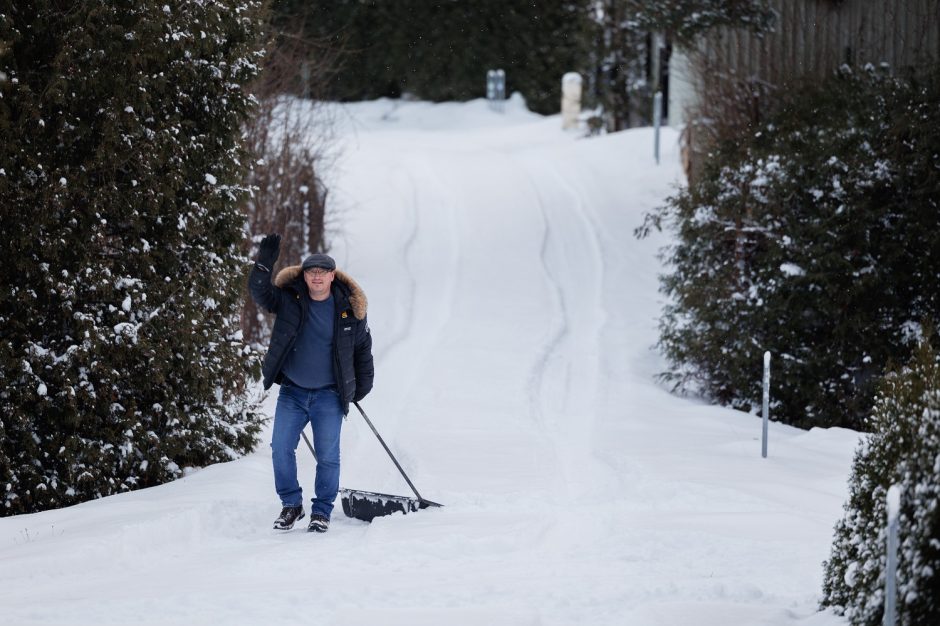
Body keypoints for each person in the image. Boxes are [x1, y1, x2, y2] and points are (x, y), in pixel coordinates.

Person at [248, 233, 374, 532]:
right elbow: (259, 291)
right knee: (280, 448)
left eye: (322, 272)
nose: (316, 277)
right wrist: (265, 262)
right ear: (304, 276)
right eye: (311, 272)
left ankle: (322, 511)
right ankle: (291, 505)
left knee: (328, 457)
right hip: (293, 392)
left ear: (332, 275)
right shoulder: (289, 300)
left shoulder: (349, 310)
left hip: (329, 396)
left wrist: (360, 389)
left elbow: (362, 350)